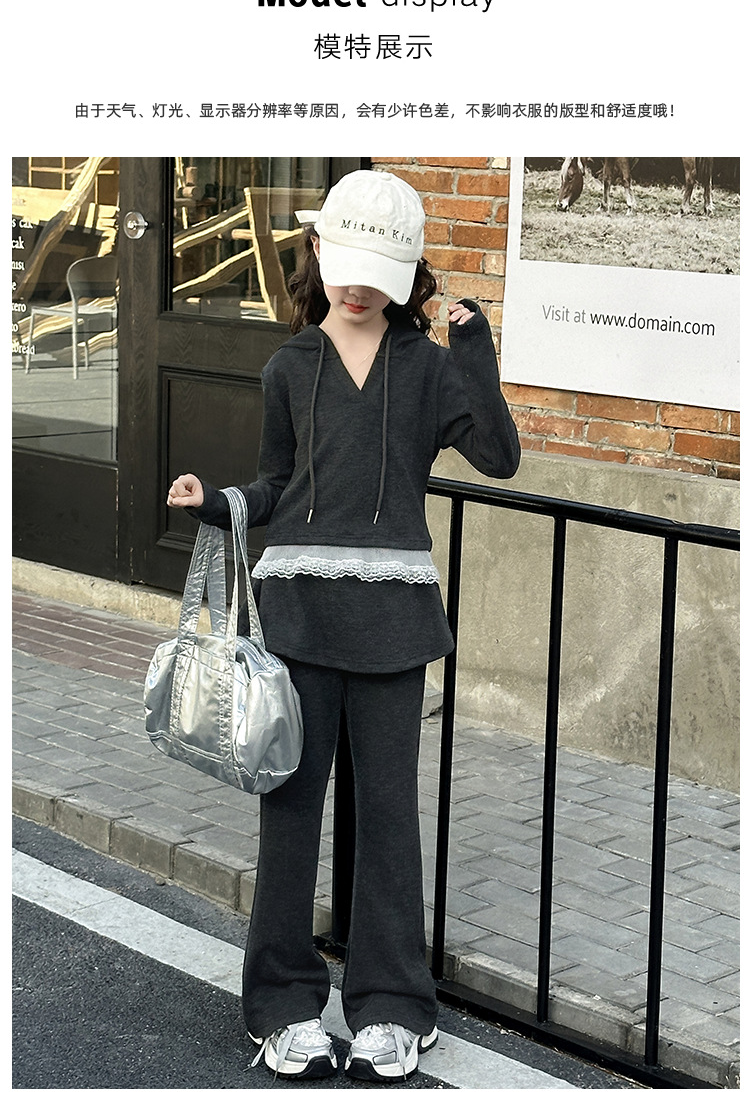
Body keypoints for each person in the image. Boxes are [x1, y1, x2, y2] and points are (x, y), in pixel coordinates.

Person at [167, 169, 521, 1083]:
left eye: (377, 272)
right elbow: (276, 485)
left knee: (388, 821)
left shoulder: (428, 366)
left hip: (394, 623)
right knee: (290, 817)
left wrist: (473, 347)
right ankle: (282, 1006)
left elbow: (499, 456)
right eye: (345, 265)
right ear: (319, 251)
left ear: (406, 273)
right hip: (298, 620)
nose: (356, 287)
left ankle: (395, 1007)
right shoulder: (288, 366)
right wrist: (216, 504)